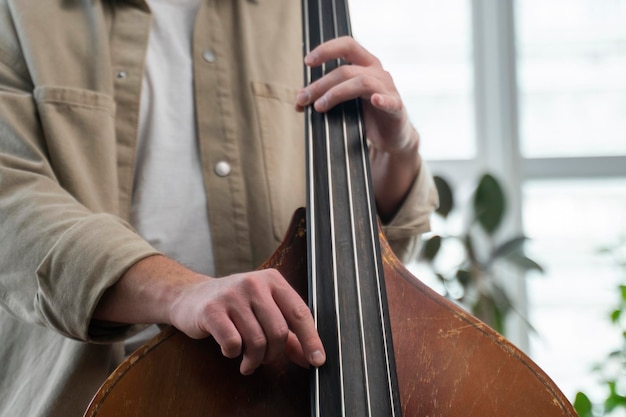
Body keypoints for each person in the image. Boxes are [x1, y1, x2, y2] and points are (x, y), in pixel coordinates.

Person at [0, 0, 438, 416]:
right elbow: (10, 200)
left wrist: (393, 153)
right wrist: (181, 291)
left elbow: (377, 263)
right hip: (87, 398)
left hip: (290, 397)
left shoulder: (301, 12)